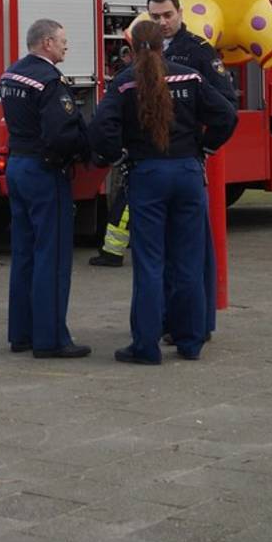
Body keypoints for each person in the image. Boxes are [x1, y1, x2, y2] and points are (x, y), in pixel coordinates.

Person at [87, 20, 237, 364]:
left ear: (131, 48)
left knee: (149, 263)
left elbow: (100, 128)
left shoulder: (125, 83)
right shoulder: (189, 77)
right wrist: (206, 148)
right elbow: (226, 115)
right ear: (162, 45)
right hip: (187, 173)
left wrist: (118, 157)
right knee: (188, 261)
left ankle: (145, 345)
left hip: (147, 174)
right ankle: (190, 342)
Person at [91, 0, 236, 269]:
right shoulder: (140, 51)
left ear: (180, 13)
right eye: (155, 17)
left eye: (168, 15)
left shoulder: (199, 51)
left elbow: (225, 106)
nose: (162, 22)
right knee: (130, 202)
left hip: (180, 148)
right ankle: (113, 250)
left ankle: (123, 253)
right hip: (142, 148)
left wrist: (204, 146)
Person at [0, 20, 92, 359]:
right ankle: (51, 339)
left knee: (23, 254)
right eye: (64, 41)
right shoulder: (49, 81)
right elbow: (61, 133)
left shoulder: (10, 75)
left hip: (18, 166)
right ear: (48, 42)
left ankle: (21, 333)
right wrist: (85, 151)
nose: (67, 46)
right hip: (44, 171)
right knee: (51, 257)